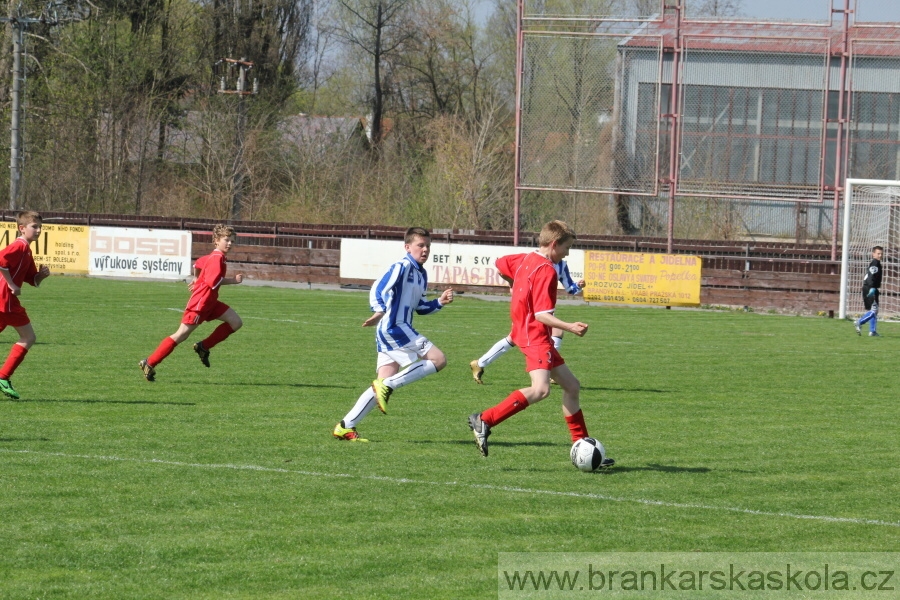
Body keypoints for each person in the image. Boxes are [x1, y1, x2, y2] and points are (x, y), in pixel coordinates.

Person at [467, 220, 612, 467]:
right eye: (567, 248)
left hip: (527, 332)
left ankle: (582, 444)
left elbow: (500, 264)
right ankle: (485, 419)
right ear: (554, 244)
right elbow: (542, 315)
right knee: (541, 390)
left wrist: (513, 285)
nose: (567, 253)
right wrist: (570, 327)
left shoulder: (524, 258)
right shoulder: (547, 270)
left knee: (572, 386)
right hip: (534, 335)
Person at [333, 227, 454, 442]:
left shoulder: (421, 273)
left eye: (427, 246)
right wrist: (378, 310)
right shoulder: (402, 266)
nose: (425, 250)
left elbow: (419, 307)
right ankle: (387, 386)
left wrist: (439, 302)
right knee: (439, 359)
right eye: (420, 245)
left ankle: (345, 426)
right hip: (394, 328)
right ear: (407, 247)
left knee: (381, 382)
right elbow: (378, 288)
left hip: (397, 328)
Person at [139, 224, 244, 381]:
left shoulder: (214, 256)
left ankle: (203, 347)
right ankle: (149, 362)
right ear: (216, 241)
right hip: (200, 304)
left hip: (210, 302)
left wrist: (196, 277)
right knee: (181, 335)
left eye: (232, 241)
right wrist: (233, 281)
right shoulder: (216, 258)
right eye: (226, 240)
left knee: (235, 322)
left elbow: (198, 264)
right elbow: (211, 282)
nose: (229, 244)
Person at [470, 259, 584, 384]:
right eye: (566, 247)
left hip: (543, 306)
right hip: (527, 306)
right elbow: (500, 266)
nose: (566, 252)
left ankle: (480, 363)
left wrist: (578, 286)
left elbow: (571, 289)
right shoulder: (531, 258)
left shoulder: (561, 265)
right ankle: (547, 373)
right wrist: (512, 282)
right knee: (524, 337)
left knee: (551, 333)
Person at [0, 211, 51, 399]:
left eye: (40, 227)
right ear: (22, 228)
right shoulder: (19, 246)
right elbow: (0, 261)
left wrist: (41, 276)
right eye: (34, 227)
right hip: (5, 300)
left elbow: (32, 280)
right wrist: (12, 284)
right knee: (28, 337)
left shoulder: (26, 250)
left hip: (3, 300)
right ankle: (3, 377)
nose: (38, 230)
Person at [855, 245, 883, 337]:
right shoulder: (875, 263)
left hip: (870, 287)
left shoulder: (877, 263)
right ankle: (859, 322)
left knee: (874, 310)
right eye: (878, 253)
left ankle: (872, 331)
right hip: (870, 288)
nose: (880, 255)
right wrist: (872, 288)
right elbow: (871, 277)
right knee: (874, 310)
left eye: (881, 253)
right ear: (873, 254)